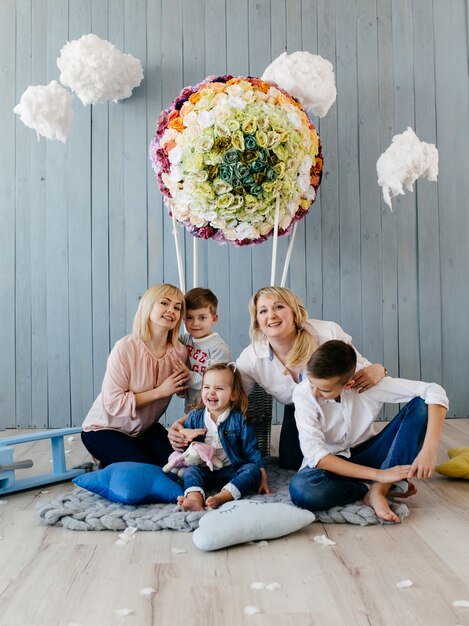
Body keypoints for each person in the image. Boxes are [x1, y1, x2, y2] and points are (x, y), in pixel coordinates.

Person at [290, 340, 448, 523]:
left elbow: (434, 390)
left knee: (422, 406)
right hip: (331, 464)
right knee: (302, 491)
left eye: (324, 389)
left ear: (348, 384)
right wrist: (380, 475)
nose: (314, 391)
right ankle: (373, 488)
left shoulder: (368, 384)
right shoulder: (304, 394)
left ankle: (379, 490)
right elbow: (317, 456)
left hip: (368, 453)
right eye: (311, 383)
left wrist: (429, 450)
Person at [235, 286, 386, 470]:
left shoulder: (327, 334)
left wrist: (379, 369)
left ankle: (360, 462)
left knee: (348, 450)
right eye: (263, 311)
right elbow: (231, 394)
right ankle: (354, 474)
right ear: (257, 322)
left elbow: (362, 367)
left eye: (278, 307)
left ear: (295, 313)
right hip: (299, 409)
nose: (271, 315)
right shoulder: (251, 358)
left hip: (337, 404)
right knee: (290, 462)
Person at [81, 284, 190, 468]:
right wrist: (161, 391)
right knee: (148, 469)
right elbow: (113, 402)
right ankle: (106, 461)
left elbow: (180, 393)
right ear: (148, 306)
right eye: (164, 303)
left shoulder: (179, 352)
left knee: (178, 466)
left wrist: (187, 382)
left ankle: (119, 459)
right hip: (104, 428)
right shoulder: (125, 348)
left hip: (144, 428)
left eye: (177, 307)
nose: (171, 310)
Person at [174, 363, 270, 511]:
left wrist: (262, 476)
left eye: (219, 388)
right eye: (207, 387)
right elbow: (185, 449)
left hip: (230, 470)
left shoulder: (239, 419)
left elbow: (251, 451)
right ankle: (194, 499)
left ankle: (222, 497)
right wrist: (185, 434)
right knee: (190, 472)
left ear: (233, 395)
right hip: (204, 470)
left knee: (252, 470)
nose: (211, 392)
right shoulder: (195, 417)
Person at [181, 287, 231, 412]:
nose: (195, 323)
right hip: (191, 407)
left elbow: (213, 384)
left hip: (213, 410)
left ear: (213, 319)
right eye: (189, 317)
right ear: (183, 319)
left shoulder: (218, 349)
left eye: (202, 318)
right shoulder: (186, 339)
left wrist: (186, 375)